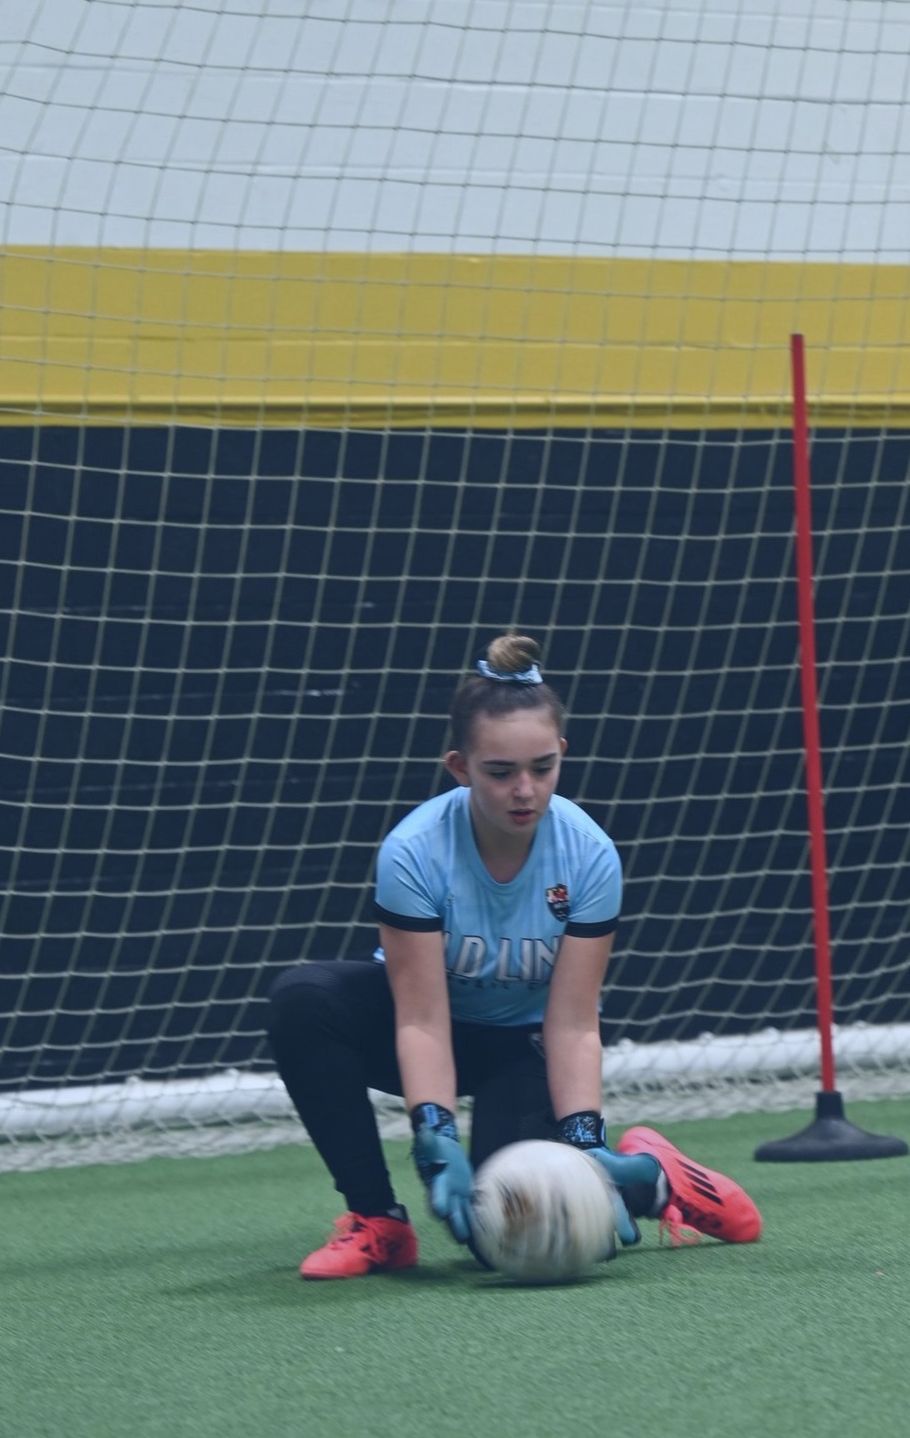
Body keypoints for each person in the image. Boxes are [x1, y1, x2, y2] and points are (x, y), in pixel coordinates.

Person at [267, 633, 762, 1279]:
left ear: (561, 754)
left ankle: (655, 1179)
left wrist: (585, 1145)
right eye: (500, 772)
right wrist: (436, 1138)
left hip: (522, 1047)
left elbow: (575, 1022)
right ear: (459, 766)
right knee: (304, 1001)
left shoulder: (589, 856)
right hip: (428, 1030)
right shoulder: (414, 853)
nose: (524, 790)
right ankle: (378, 1222)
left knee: (506, 1237)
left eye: (542, 767)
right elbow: (419, 1019)